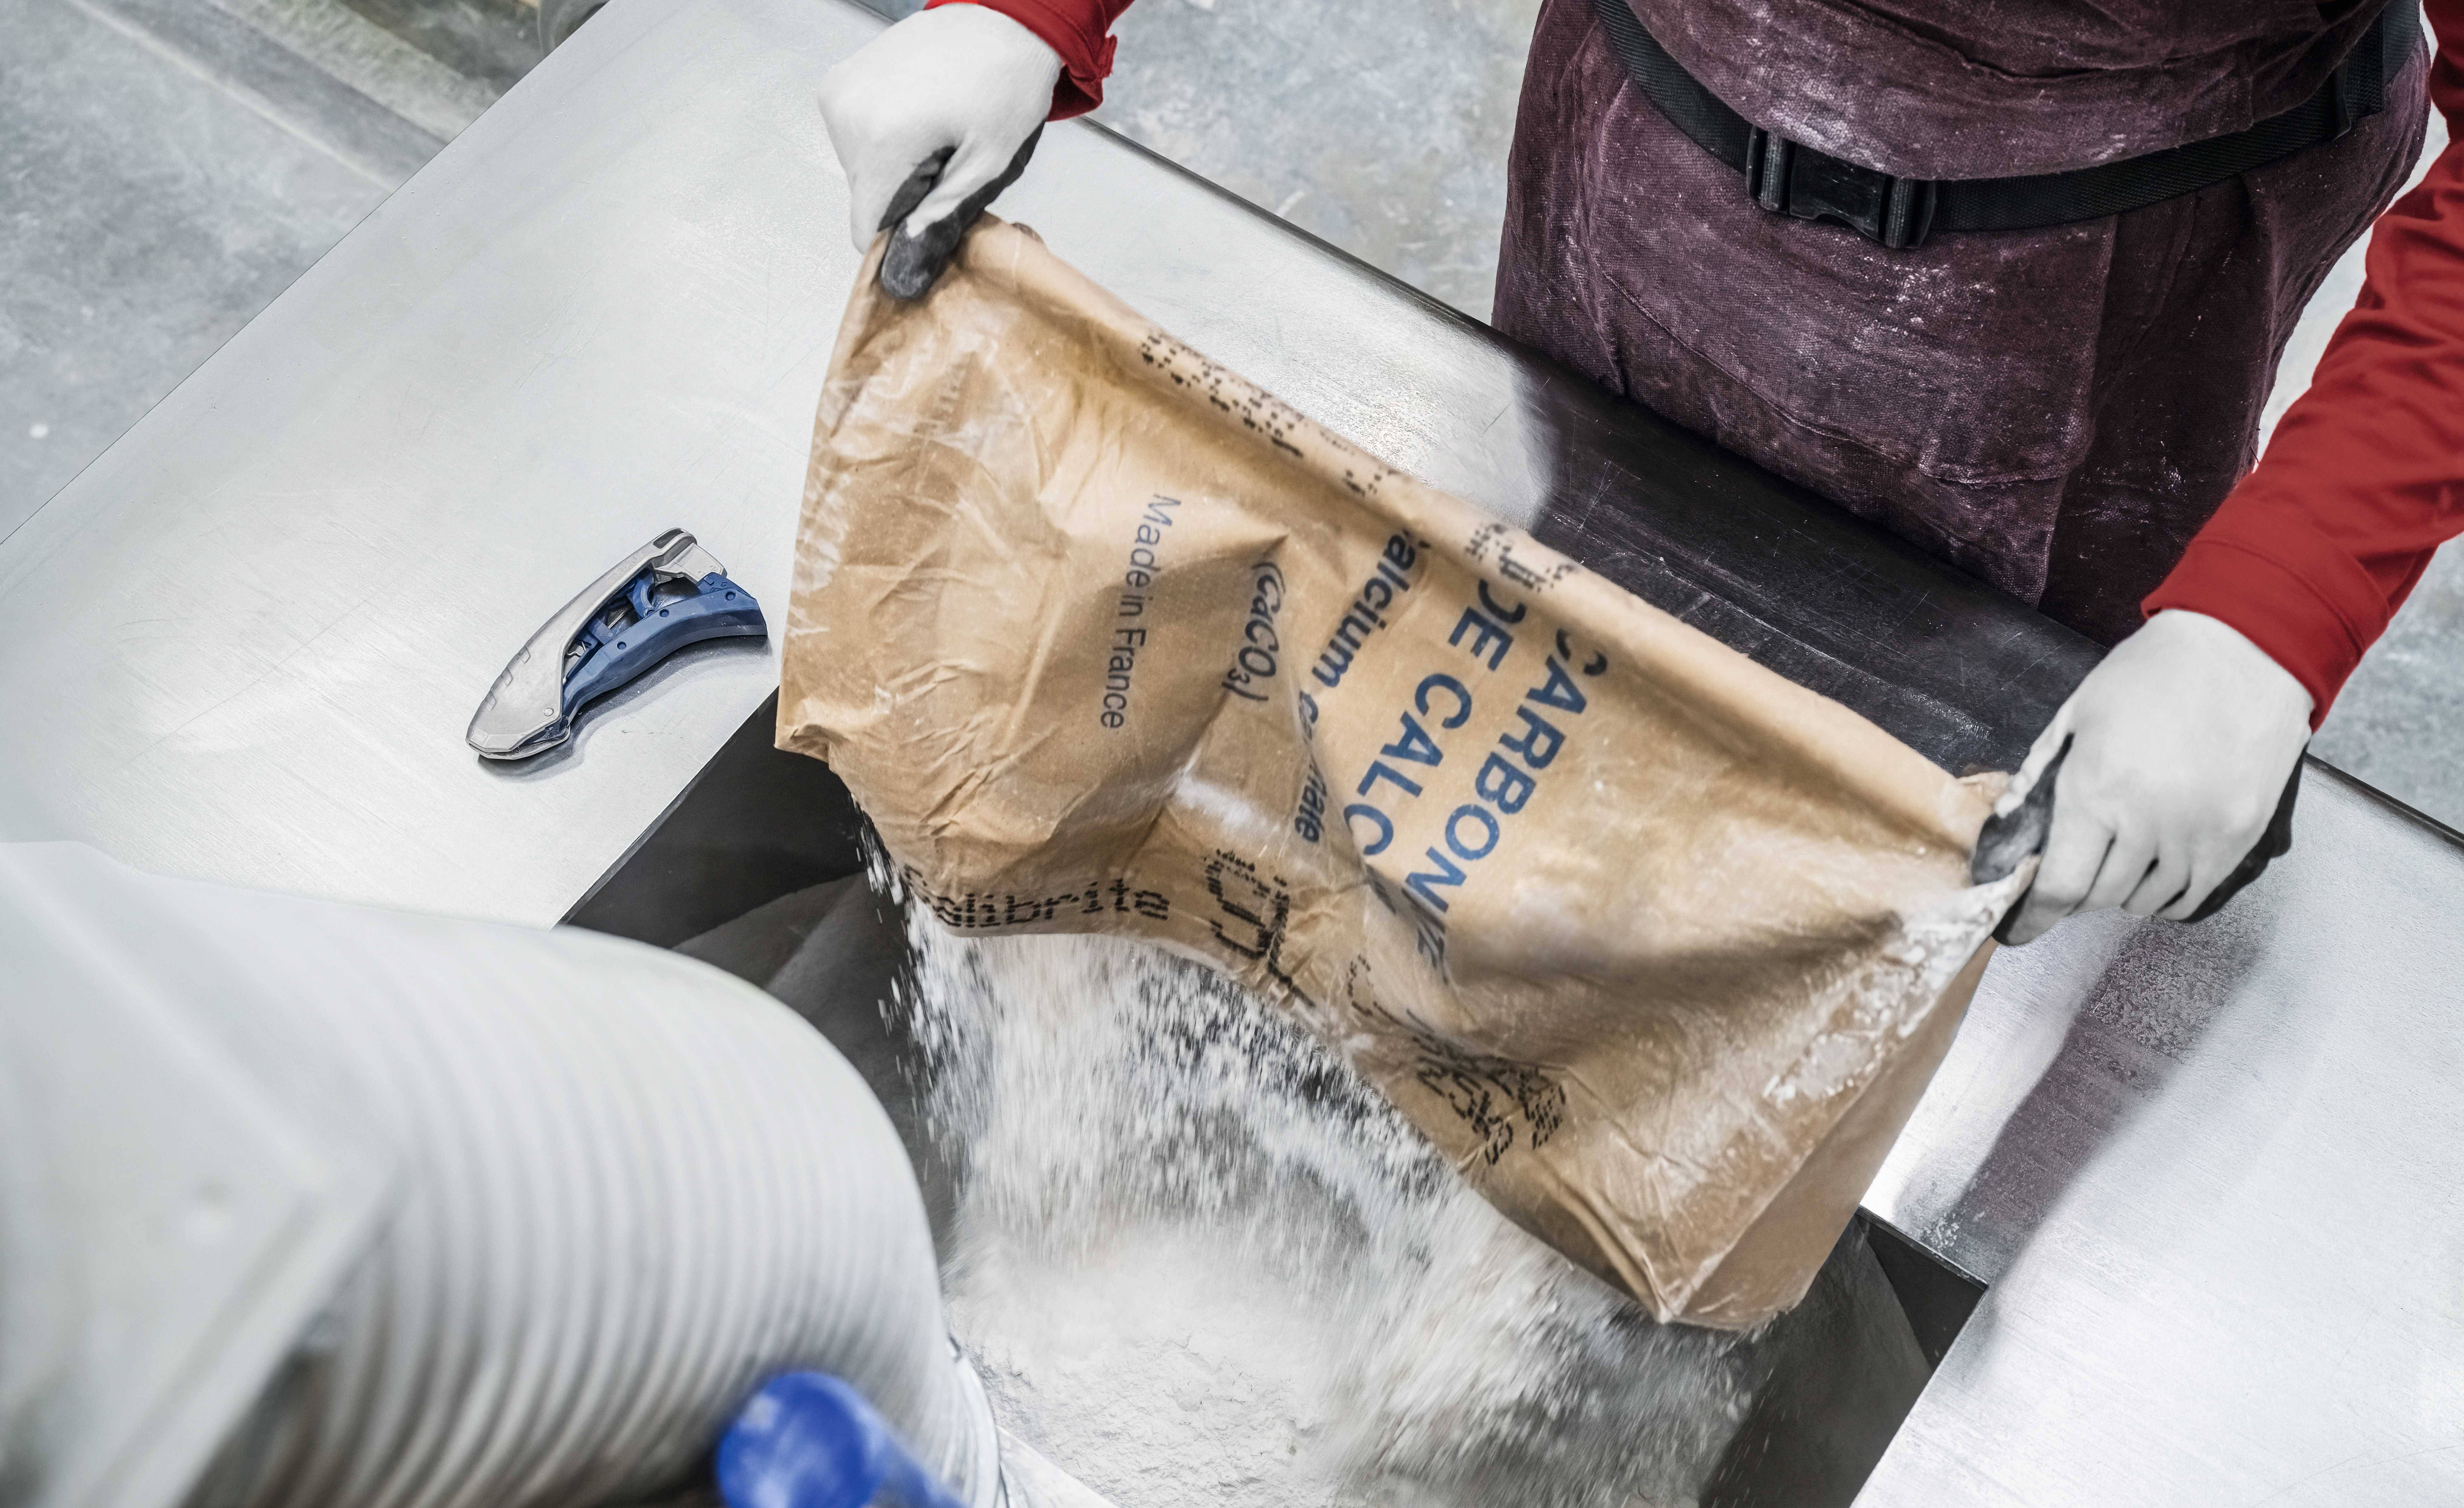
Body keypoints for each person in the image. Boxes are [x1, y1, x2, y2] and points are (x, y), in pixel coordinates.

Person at [817, 0, 2464, 943]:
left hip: (2105, 253)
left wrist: (2264, 620)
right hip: (1648, 119)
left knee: (1922, 848)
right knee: (1564, 615)